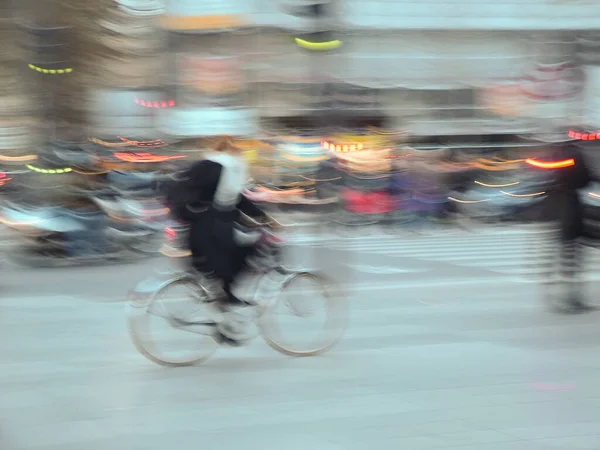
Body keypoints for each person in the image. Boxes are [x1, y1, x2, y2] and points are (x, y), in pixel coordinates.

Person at [174, 137, 271, 310]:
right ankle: (225, 299)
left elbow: (229, 199)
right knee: (248, 250)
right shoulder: (227, 167)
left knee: (218, 271)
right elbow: (235, 199)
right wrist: (264, 218)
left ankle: (222, 301)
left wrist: (256, 216)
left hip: (194, 229)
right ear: (232, 151)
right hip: (213, 228)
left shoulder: (203, 165)